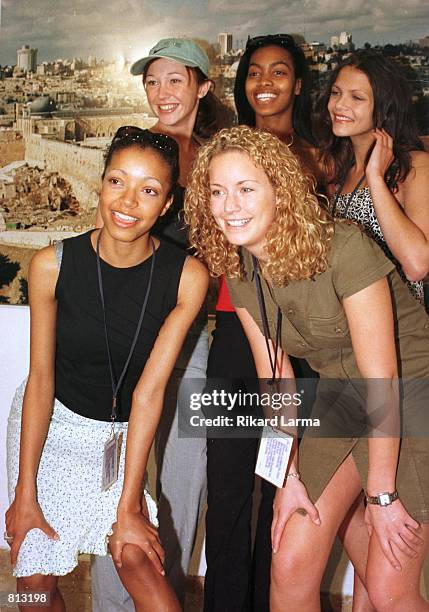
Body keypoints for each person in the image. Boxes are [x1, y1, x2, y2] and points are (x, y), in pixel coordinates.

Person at [184, 125, 429, 612]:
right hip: (342, 396)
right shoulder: (241, 268)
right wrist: (286, 474)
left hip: (412, 391)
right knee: (290, 559)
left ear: (281, 189)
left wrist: (381, 497)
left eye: (246, 188)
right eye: (217, 191)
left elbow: (383, 380)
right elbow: (277, 379)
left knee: (387, 588)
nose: (229, 205)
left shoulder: (343, 246)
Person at [5, 127, 208, 612]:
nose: (128, 201)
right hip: (50, 429)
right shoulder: (50, 266)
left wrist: (130, 504)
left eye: (149, 190)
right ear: (100, 183)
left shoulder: (186, 277)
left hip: (120, 443)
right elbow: (40, 381)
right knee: (31, 589)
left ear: (167, 204)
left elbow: (148, 394)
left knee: (139, 562)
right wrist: (24, 492)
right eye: (118, 181)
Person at [91, 38, 232, 610]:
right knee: (115, 482)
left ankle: (160, 597)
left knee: (183, 478)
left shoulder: (220, 157)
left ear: (202, 86)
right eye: (153, 81)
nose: (162, 92)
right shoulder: (135, 150)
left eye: (175, 80)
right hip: (125, 337)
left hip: (192, 340)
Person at [205, 34, 320, 612]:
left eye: (280, 71)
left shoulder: (320, 157)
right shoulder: (221, 153)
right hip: (235, 329)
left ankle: (276, 597)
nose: (266, 81)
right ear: (242, 83)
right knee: (228, 481)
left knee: (286, 475)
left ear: (299, 83)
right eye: (254, 71)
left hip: (301, 335)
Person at [315, 49, 429, 607]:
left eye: (356, 97)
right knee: (351, 522)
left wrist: (380, 180)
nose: (340, 104)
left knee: (392, 537)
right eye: (337, 93)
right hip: (354, 361)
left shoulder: (415, 165)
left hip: (408, 360)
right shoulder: (336, 169)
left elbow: (418, 262)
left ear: (384, 106)